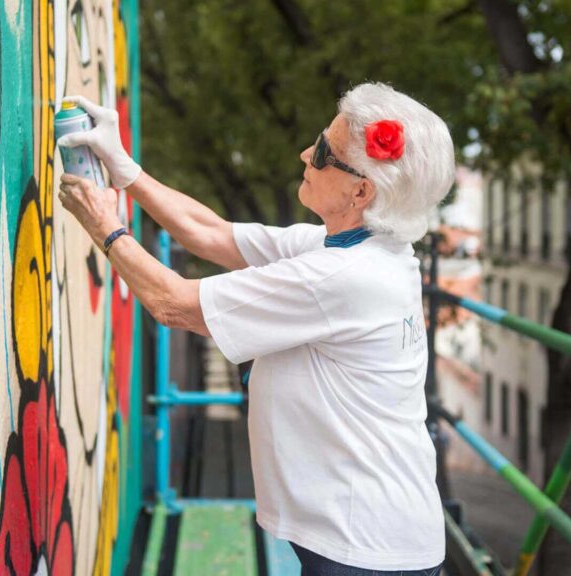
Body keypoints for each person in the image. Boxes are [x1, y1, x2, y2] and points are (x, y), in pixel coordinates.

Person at [57, 82, 454, 575]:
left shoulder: (344, 277)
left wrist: (104, 225)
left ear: (361, 191)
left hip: (366, 548)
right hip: (375, 535)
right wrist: (125, 170)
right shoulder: (359, 249)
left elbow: (174, 304)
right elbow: (213, 234)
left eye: (325, 152)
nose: (306, 153)